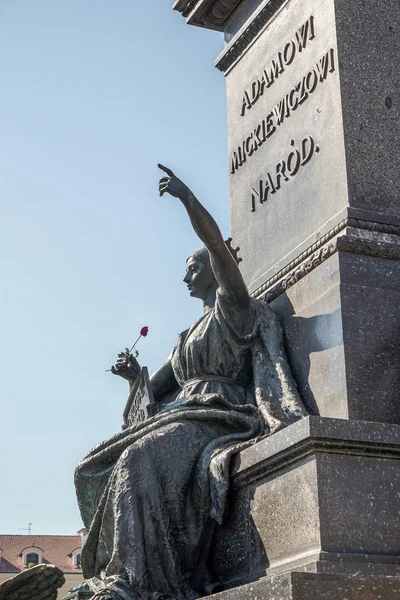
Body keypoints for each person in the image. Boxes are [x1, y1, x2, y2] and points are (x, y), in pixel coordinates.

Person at [75, 166, 307, 600]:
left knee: (137, 460)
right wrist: (133, 379)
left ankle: (134, 580)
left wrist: (187, 200)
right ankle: (120, 571)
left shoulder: (234, 308)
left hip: (221, 414)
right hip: (185, 413)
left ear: (215, 270)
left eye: (192, 267)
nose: (184, 277)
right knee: (94, 466)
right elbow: (153, 391)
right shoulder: (185, 340)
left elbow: (217, 244)